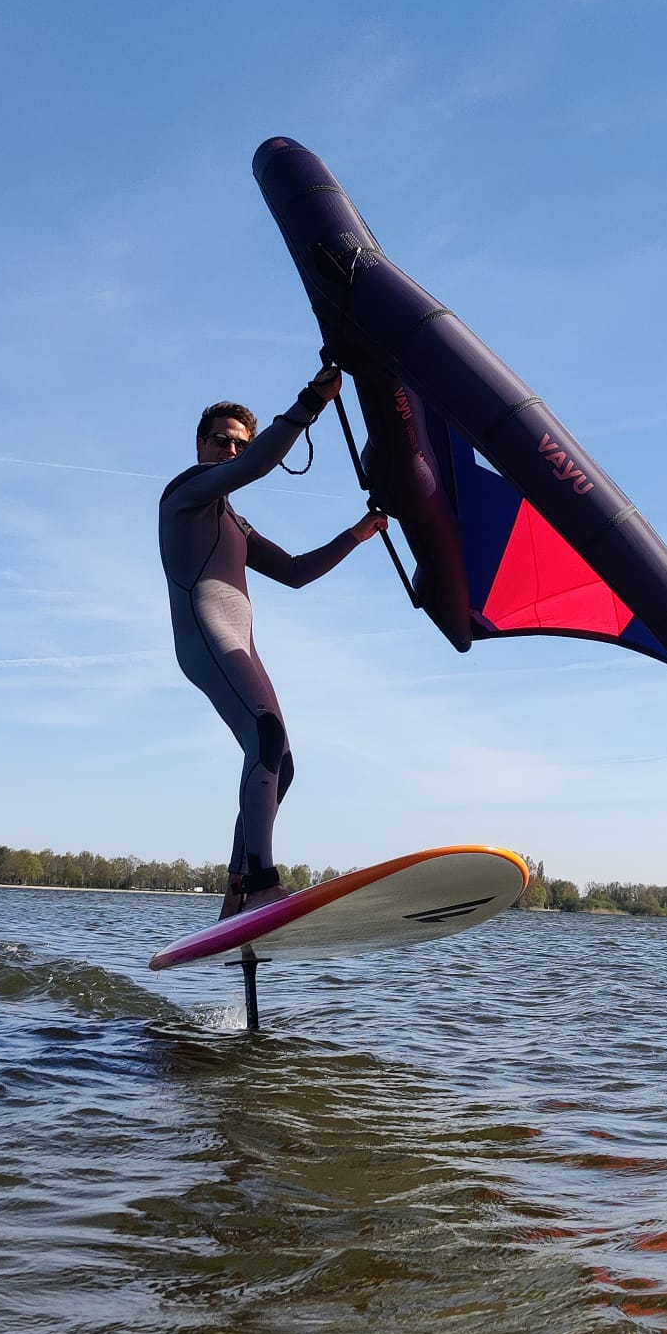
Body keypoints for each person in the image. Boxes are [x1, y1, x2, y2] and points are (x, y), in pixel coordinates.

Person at [159, 362, 387, 918]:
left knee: (280, 762)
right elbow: (260, 465)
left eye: (240, 444)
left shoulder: (234, 523)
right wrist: (311, 401)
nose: (231, 452)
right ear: (200, 444)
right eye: (222, 442)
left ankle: (238, 886)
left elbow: (296, 572)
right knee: (264, 735)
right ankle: (262, 881)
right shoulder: (185, 492)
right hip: (209, 641)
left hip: (239, 644)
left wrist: (358, 534)